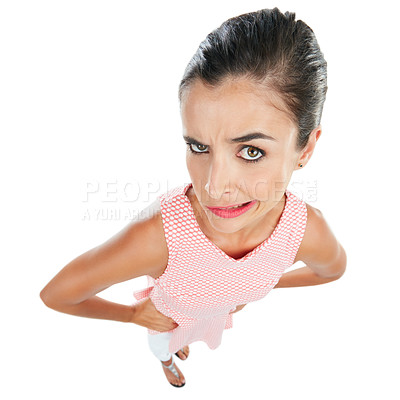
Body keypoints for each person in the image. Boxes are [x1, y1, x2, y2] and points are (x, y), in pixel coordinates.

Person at [40, 7, 347, 389]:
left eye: (251, 151)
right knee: (163, 344)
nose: (214, 187)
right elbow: (57, 295)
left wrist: (262, 283)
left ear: (305, 150)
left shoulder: (307, 231)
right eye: (199, 146)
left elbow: (332, 271)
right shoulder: (160, 237)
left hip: (215, 314)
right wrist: (135, 315)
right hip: (167, 316)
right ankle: (168, 361)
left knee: (196, 332)